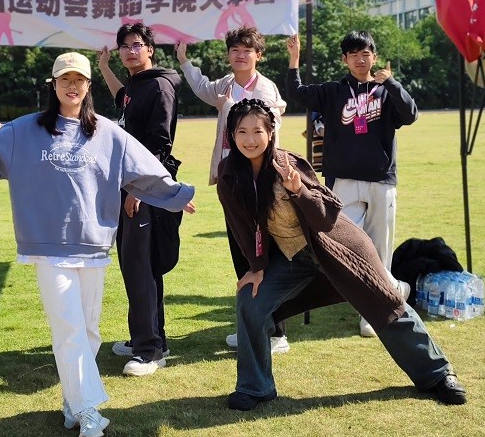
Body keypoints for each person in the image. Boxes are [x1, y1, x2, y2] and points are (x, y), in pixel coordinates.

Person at [0, 52, 195, 437]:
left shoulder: (107, 133)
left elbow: (143, 166)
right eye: (64, 79)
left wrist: (174, 194)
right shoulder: (25, 130)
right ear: (54, 85)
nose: (72, 86)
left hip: (93, 247)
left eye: (79, 80)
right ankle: (89, 411)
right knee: (69, 328)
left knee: (89, 331)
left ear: (88, 86)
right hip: (47, 248)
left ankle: (73, 402)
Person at [217, 98, 467, 411]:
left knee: (384, 303)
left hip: (337, 248)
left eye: (258, 131)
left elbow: (326, 218)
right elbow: (241, 226)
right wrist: (255, 267)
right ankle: (256, 387)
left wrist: (299, 192)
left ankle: (438, 374)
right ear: (232, 135)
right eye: (242, 131)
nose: (250, 139)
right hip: (292, 258)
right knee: (250, 301)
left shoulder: (288, 165)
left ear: (271, 133)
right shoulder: (229, 174)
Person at [286, 31, 417, 337]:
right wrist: (294, 60)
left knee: (380, 248)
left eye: (366, 54)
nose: (360, 60)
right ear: (344, 59)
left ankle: (372, 313)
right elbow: (297, 94)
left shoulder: (385, 91)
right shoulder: (333, 91)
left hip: (381, 180)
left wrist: (392, 83)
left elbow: (410, 114)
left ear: (374, 57)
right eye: (354, 55)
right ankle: (393, 288)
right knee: (345, 245)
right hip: (343, 180)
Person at [176, 26, 290, 353]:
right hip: (232, 178)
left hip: (259, 179)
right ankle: (253, 328)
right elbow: (202, 88)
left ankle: (276, 333)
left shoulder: (265, 89)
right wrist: (184, 61)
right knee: (241, 250)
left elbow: (268, 130)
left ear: (258, 55)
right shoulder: (226, 84)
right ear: (228, 55)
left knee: (265, 252)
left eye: (247, 50)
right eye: (235, 50)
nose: (240, 56)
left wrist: (228, 108)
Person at [97, 23, 183, 377]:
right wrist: (104, 68)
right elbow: (123, 99)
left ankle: (150, 352)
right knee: (140, 265)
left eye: (137, 45)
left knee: (140, 267)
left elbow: (160, 145)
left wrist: (137, 189)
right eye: (125, 46)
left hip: (144, 188)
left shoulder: (160, 86)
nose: (131, 51)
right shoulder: (136, 84)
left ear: (150, 49)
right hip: (129, 185)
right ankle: (149, 338)